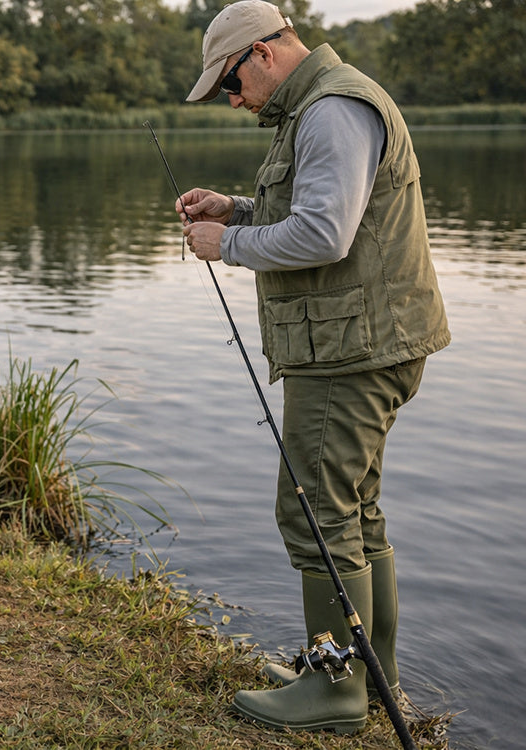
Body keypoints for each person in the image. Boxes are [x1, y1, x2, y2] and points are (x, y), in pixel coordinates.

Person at [174, 0, 450, 735]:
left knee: (316, 513)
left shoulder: (330, 110)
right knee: (354, 509)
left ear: (263, 53)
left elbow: (325, 233)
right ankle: (368, 673)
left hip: (351, 352)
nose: (233, 100)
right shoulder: (324, 106)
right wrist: (235, 210)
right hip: (367, 343)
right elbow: (329, 213)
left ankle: (335, 690)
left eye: (231, 82)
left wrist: (223, 246)